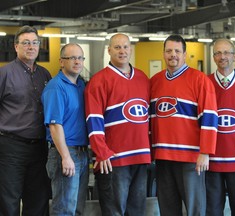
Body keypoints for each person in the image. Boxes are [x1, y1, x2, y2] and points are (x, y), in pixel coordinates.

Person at [150, 34, 218, 216]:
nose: (173, 55)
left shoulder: (200, 80)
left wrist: (205, 152)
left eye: (177, 51)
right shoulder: (154, 81)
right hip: (163, 157)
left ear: (185, 54)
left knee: (195, 209)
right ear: (163, 54)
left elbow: (210, 118)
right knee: (168, 209)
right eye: (169, 51)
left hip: (191, 159)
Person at [85, 33, 151, 216]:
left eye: (125, 47)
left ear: (131, 49)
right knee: (115, 211)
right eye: (117, 47)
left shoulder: (143, 78)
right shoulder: (99, 81)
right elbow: (93, 119)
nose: (122, 51)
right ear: (109, 50)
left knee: (137, 211)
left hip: (140, 156)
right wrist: (102, 152)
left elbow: (148, 117)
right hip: (114, 159)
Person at [0, 25, 51, 216]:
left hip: (38, 148)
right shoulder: (4, 74)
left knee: (38, 198)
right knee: (8, 199)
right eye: (26, 43)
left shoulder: (44, 74)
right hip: (10, 147)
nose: (31, 47)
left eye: (35, 43)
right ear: (16, 47)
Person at [41, 43, 89, 215]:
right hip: (66, 154)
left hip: (82, 154)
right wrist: (66, 157)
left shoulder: (80, 86)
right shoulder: (56, 87)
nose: (77, 61)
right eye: (72, 58)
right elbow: (54, 125)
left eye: (80, 58)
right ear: (61, 62)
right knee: (64, 210)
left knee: (77, 209)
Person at [206, 38, 235, 216]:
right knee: (213, 209)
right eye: (218, 53)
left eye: (226, 52)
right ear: (213, 57)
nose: (222, 56)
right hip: (212, 159)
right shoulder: (204, 82)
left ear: (234, 56)